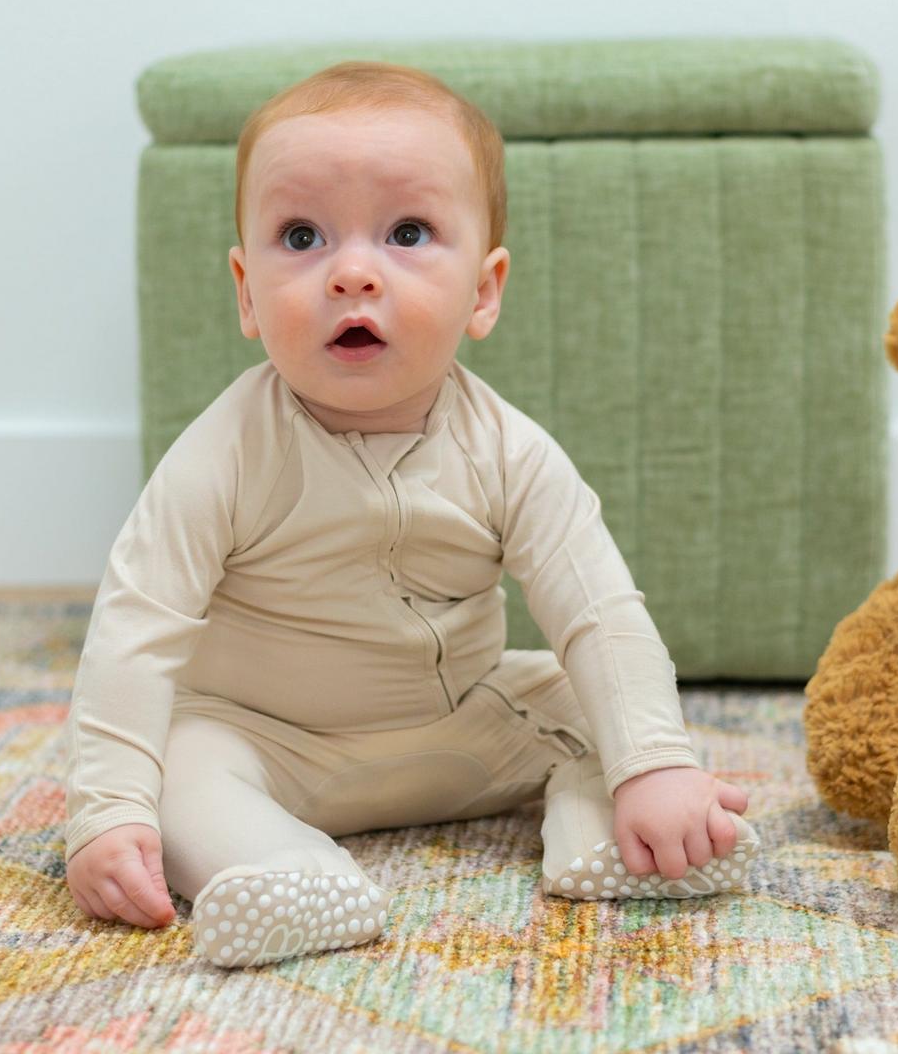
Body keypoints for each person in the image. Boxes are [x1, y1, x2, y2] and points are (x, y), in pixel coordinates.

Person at [63, 61, 758, 969]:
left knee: (601, 701)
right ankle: (281, 868)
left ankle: (610, 832)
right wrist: (106, 814)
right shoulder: (224, 451)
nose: (353, 271)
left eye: (408, 232)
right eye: (302, 235)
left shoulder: (510, 451)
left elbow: (600, 612)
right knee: (172, 765)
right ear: (244, 291)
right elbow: (135, 629)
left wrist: (655, 765)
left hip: (457, 729)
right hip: (267, 743)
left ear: (484, 289)